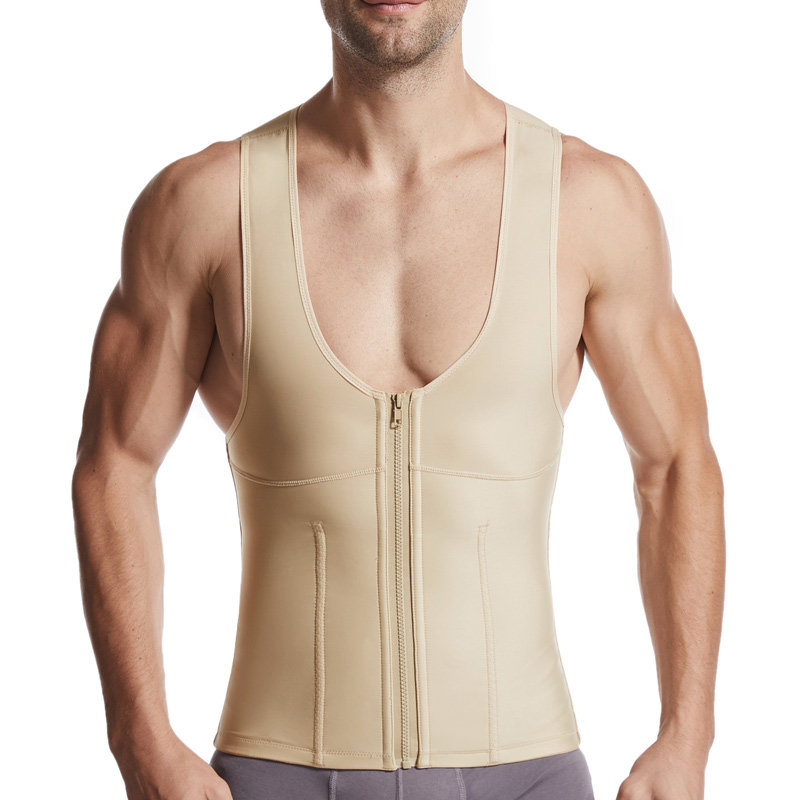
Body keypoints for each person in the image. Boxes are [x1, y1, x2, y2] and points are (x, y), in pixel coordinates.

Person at [71, 1, 725, 799]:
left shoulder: (589, 202)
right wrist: (138, 737)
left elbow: (676, 465)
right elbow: (114, 465)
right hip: (274, 776)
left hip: (528, 777)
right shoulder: (204, 207)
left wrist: (687, 738)